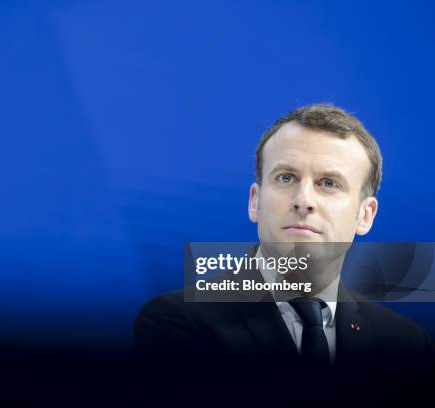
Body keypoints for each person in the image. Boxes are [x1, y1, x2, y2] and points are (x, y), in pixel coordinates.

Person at [133, 105, 433, 400]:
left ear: (364, 216)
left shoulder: (406, 343)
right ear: (255, 201)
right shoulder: (178, 322)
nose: (304, 200)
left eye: (328, 183)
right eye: (286, 178)